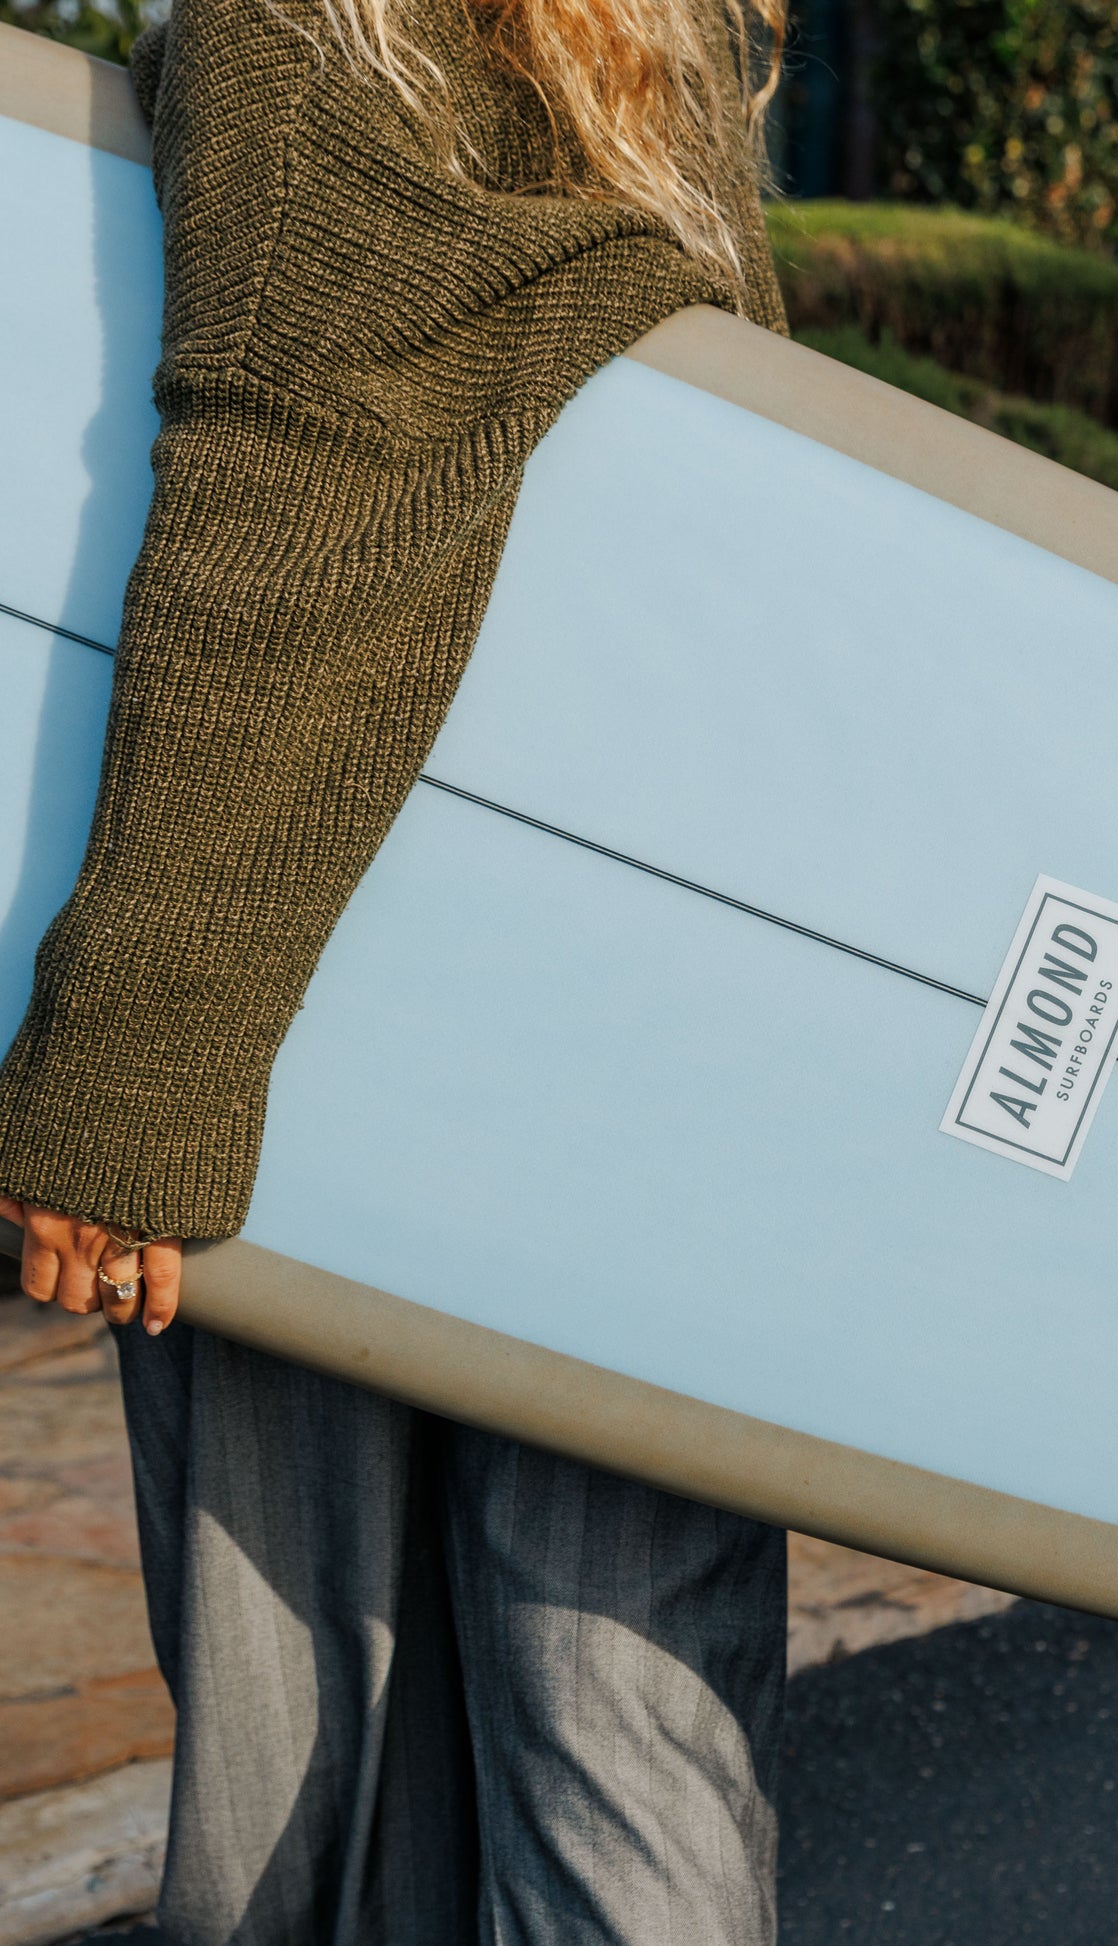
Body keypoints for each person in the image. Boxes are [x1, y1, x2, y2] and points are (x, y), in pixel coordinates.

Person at [0, 0, 791, 1935]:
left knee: (306, 1779)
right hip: (637, 996)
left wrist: (132, 1064)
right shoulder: (658, 45)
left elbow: (301, 468)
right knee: (633, 1723)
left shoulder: (294, 25)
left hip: (320, 1014)